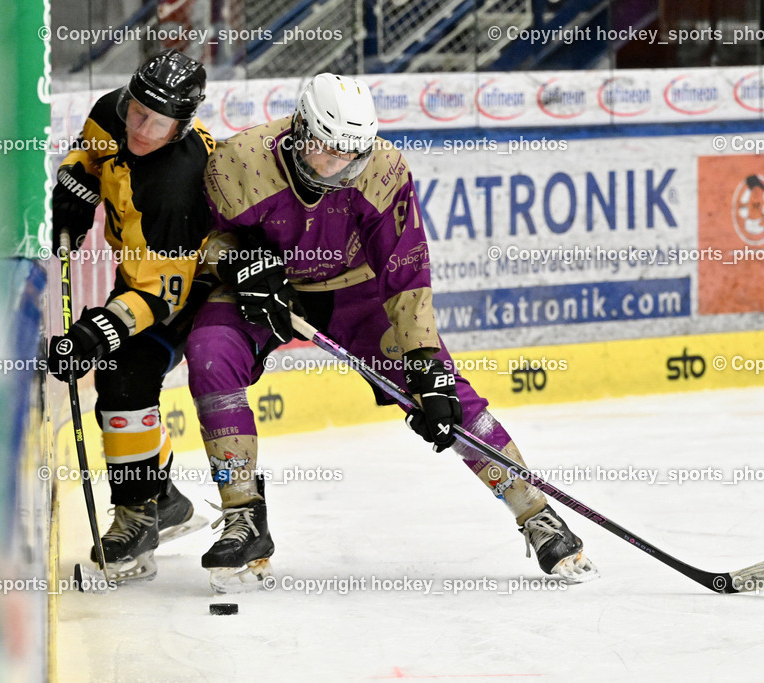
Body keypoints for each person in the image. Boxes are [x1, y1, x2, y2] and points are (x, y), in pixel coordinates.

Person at [186, 73, 598, 592]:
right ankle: (243, 511)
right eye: (329, 154)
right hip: (271, 294)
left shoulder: (382, 168)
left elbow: (405, 274)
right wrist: (239, 262)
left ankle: (536, 512)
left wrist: (426, 364)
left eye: (351, 156)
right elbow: (193, 242)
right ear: (300, 133)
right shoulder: (238, 161)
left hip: (356, 292)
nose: (340, 168)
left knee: (448, 397)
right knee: (208, 354)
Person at [47, 50, 216, 581]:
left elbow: (161, 296)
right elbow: (90, 155)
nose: (139, 127)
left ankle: (140, 513)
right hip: (144, 273)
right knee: (120, 386)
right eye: (136, 110)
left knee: (124, 378)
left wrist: (101, 331)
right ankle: (161, 497)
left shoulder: (175, 183)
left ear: (181, 125)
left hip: (197, 286)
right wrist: (75, 185)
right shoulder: (115, 110)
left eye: (156, 122)